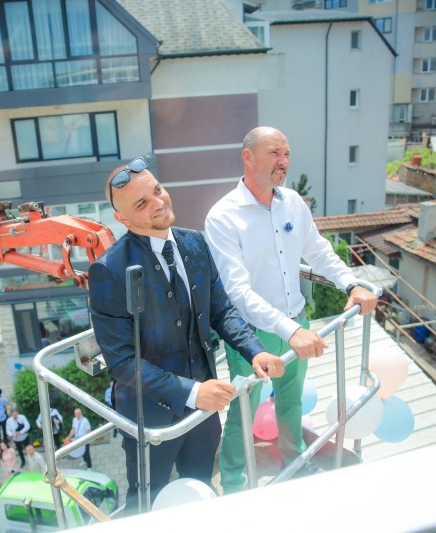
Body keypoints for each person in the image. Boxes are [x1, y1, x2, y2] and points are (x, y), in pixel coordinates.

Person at [88, 159, 284, 511]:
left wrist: (255, 350)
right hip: (150, 418)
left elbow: (221, 310)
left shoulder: (195, 243)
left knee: (200, 491)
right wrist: (193, 393)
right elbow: (122, 362)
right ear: (123, 218)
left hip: (203, 415)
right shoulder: (108, 270)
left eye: (157, 190)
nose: (158, 203)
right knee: (145, 504)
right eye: (142, 203)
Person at [204, 126, 378, 494]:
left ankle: (295, 462)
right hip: (252, 336)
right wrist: (291, 330)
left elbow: (319, 251)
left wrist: (352, 284)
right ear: (248, 157)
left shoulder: (293, 203)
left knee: (290, 402)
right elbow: (237, 291)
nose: (283, 161)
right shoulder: (222, 216)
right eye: (274, 153)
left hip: (298, 321)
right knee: (243, 412)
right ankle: (233, 484)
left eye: (287, 154)